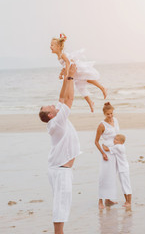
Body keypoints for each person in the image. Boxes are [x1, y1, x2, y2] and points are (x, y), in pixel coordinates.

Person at [39, 64, 80, 234]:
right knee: (61, 205)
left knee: (62, 203)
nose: (51, 104)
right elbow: (69, 100)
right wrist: (71, 76)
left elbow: (62, 98)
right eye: (48, 107)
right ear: (50, 114)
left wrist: (65, 78)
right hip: (61, 170)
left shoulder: (55, 119)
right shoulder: (57, 121)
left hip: (59, 168)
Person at [50, 33, 107, 112]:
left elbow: (67, 63)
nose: (50, 47)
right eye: (51, 45)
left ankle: (102, 88)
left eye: (52, 45)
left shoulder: (62, 55)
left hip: (75, 68)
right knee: (80, 87)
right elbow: (64, 65)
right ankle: (90, 102)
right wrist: (61, 74)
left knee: (87, 78)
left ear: (58, 47)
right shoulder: (59, 56)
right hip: (73, 71)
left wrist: (66, 74)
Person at [95, 102, 120, 209]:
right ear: (104, 114)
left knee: (112, 176)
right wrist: (103, 153)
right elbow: (96, 141)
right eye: (108, 114)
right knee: (104, 176)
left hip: (115, 151)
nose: (110, 116)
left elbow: (118, 136)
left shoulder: (116, 121)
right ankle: (100, 201)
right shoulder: (102, 125)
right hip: (106, 153)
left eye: (111, 113)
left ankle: (108, 200)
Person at [102, 134, 132, 207]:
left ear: (121, 142)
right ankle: (127, 201)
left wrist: (102, 144)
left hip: (123, 169)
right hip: (122, 168)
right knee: (124, 186)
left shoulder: (118, 147)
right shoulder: (120, 146)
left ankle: (129, 202)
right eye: (114, 139)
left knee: (126, 185)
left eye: (116, 140)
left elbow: (106, 149)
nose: (114, 140)